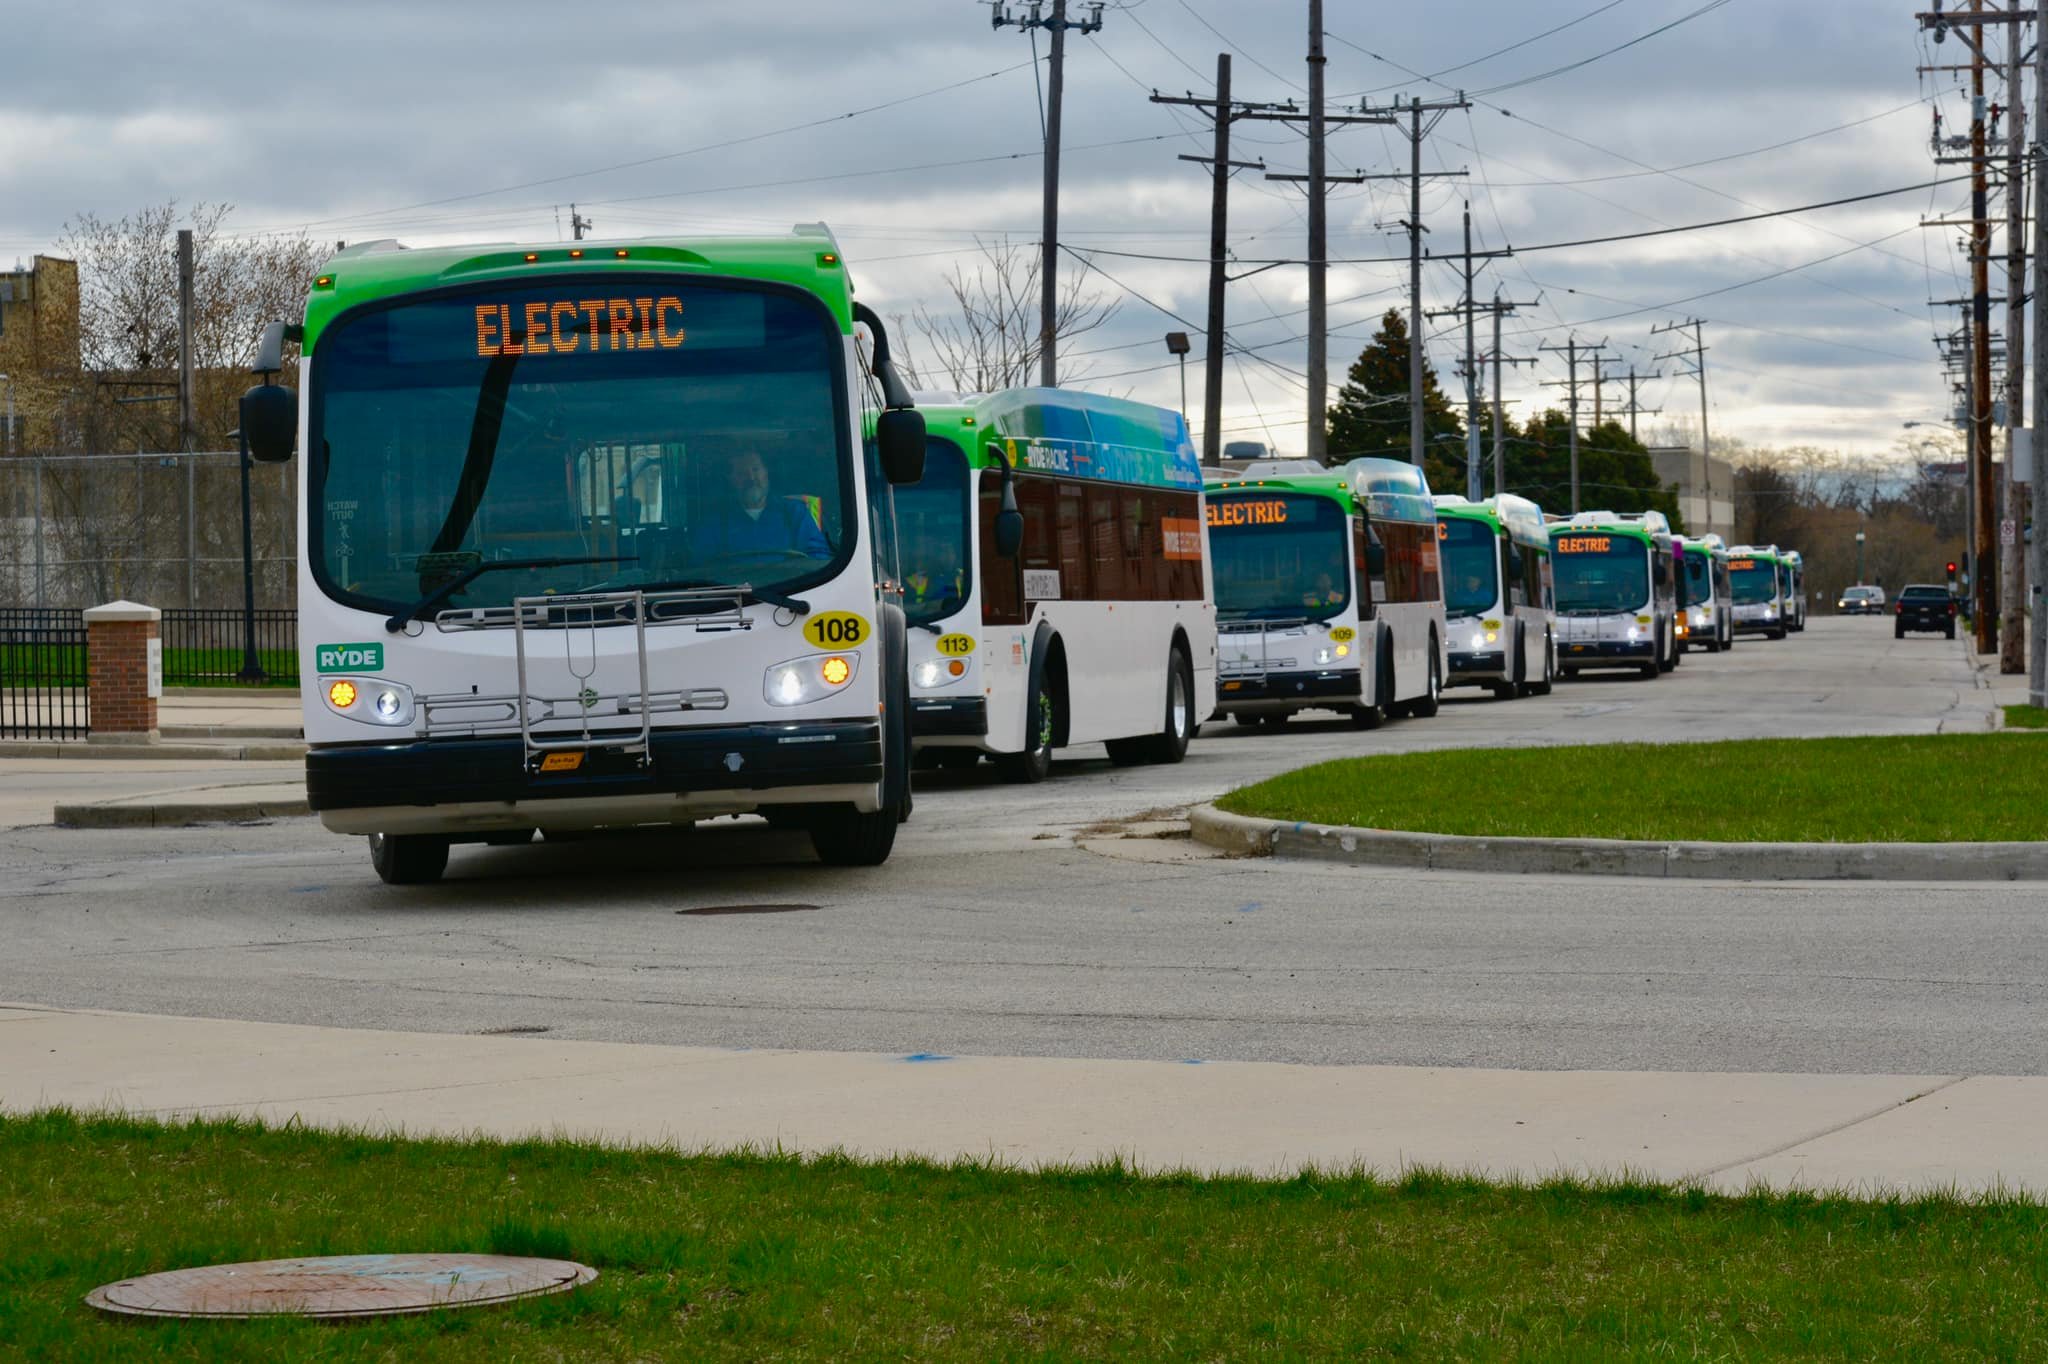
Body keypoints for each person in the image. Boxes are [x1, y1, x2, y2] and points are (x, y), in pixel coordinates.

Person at [696, 450, 830, 560]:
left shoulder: (795, 512)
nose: (751, 478)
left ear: (766, 473)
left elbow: (818, 558)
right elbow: (704, 568)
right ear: (730, 480)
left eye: (755, 469)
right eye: (741, 473)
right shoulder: (716, 522)